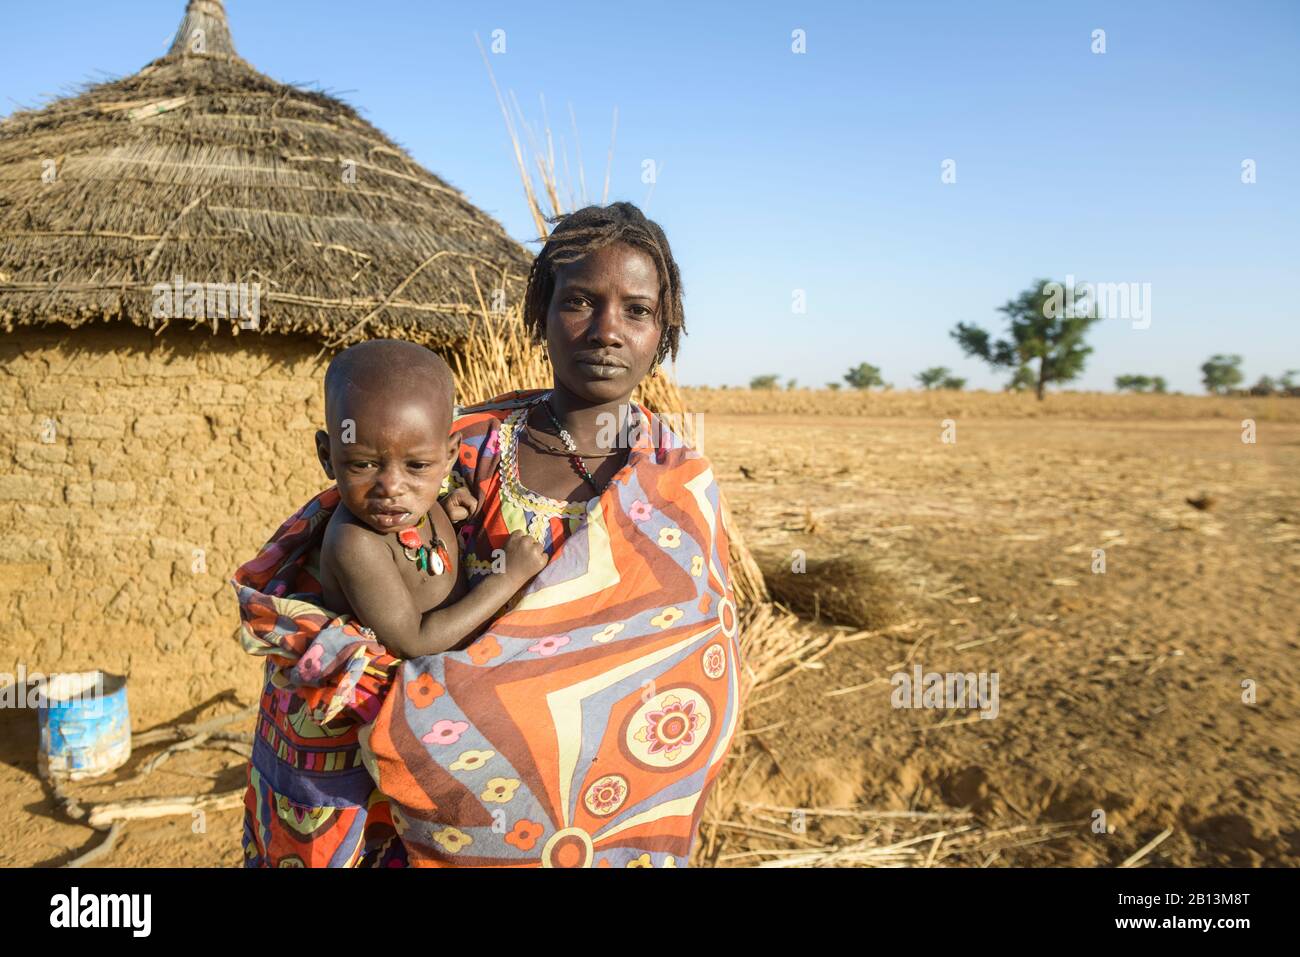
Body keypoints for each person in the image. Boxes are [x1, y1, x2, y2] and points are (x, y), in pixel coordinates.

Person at [234, 202, 744, 867]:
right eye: (581, 302)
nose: (607, 331)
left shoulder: (680, 483)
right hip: (412, 806)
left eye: (637, 310)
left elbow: (701, 659)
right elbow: (338, 595)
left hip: (609, 807)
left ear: (662, 328)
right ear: (541, 312)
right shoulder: (456, 446)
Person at [313, 339, 546, 658]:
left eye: (417, 466)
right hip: (404, 696)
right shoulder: (356, 543)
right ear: (327, 456)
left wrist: (444, 518)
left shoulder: (422, 508)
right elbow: (413, 642)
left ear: (449, 456)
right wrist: (506, 580)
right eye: (363, 464)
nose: (392, 487)